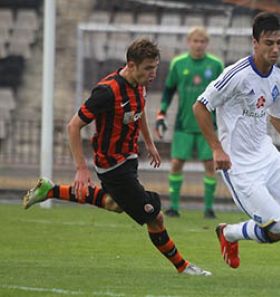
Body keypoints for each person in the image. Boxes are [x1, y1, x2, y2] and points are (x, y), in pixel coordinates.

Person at [23, 38, 211, 276]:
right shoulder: (107, 92)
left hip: (129, 158)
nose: (153, 74)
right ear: (131, 65)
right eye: (148, 69)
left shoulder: (139, 84)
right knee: (155, 217)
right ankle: (183, 267)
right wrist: (82, 169)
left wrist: (150, 142)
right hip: (112, 166)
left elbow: (139, 110)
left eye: (155, 68)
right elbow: (73, 126)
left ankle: (50, 190)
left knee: (114, 204)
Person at [193, 13, 280, 270]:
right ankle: (229, 233)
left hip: (267, 157)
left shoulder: (279, 79)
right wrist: (217, 149)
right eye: (269, 43)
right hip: (239, 167)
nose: (276, 48)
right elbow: (201, 107)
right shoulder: (236, 74)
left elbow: (279, 118)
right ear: (255, 43)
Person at [155, 27, 224, 219]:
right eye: (195, 41)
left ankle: (209, 208)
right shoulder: (178, 63)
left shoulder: (216, 65)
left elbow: (223, 95)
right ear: (189, 42)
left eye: (202, 41)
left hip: (208, 126)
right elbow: (168, 90)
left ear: (207, 44)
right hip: (183, 124)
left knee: (210, 165)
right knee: (176, 163)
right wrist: (161, 113)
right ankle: (174, 207)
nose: (198, 45)